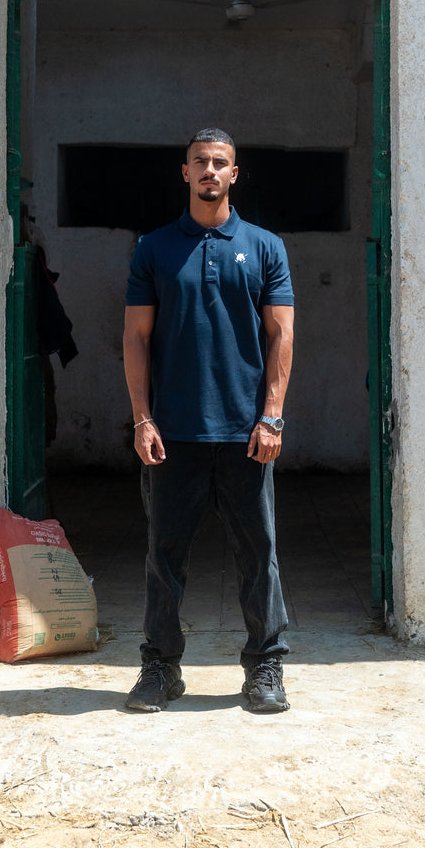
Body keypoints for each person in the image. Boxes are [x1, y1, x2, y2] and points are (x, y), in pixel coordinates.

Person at [122, 128, 295, 713]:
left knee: (257, 553)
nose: (210, 171)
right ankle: (161, 669)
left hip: (248, 434)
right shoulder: (154, 248)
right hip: (175, 434)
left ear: (234, 175)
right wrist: (142, 419)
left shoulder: (266, 246)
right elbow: (136, 337)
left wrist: (271, 418)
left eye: (221, 163)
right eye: (200, 162)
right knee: (163, 558)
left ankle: (266, 667)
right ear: (185, 172)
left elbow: (281, 335)